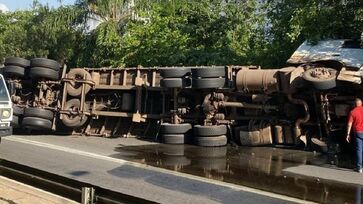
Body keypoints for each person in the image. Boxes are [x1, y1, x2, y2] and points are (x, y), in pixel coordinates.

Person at [347, 98, 363, 173]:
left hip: (358, 132)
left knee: (359, 150)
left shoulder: (353, 112)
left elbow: (349, 124)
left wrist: (348, 134)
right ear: (361, 103)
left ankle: (359, 168)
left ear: (355, 104)